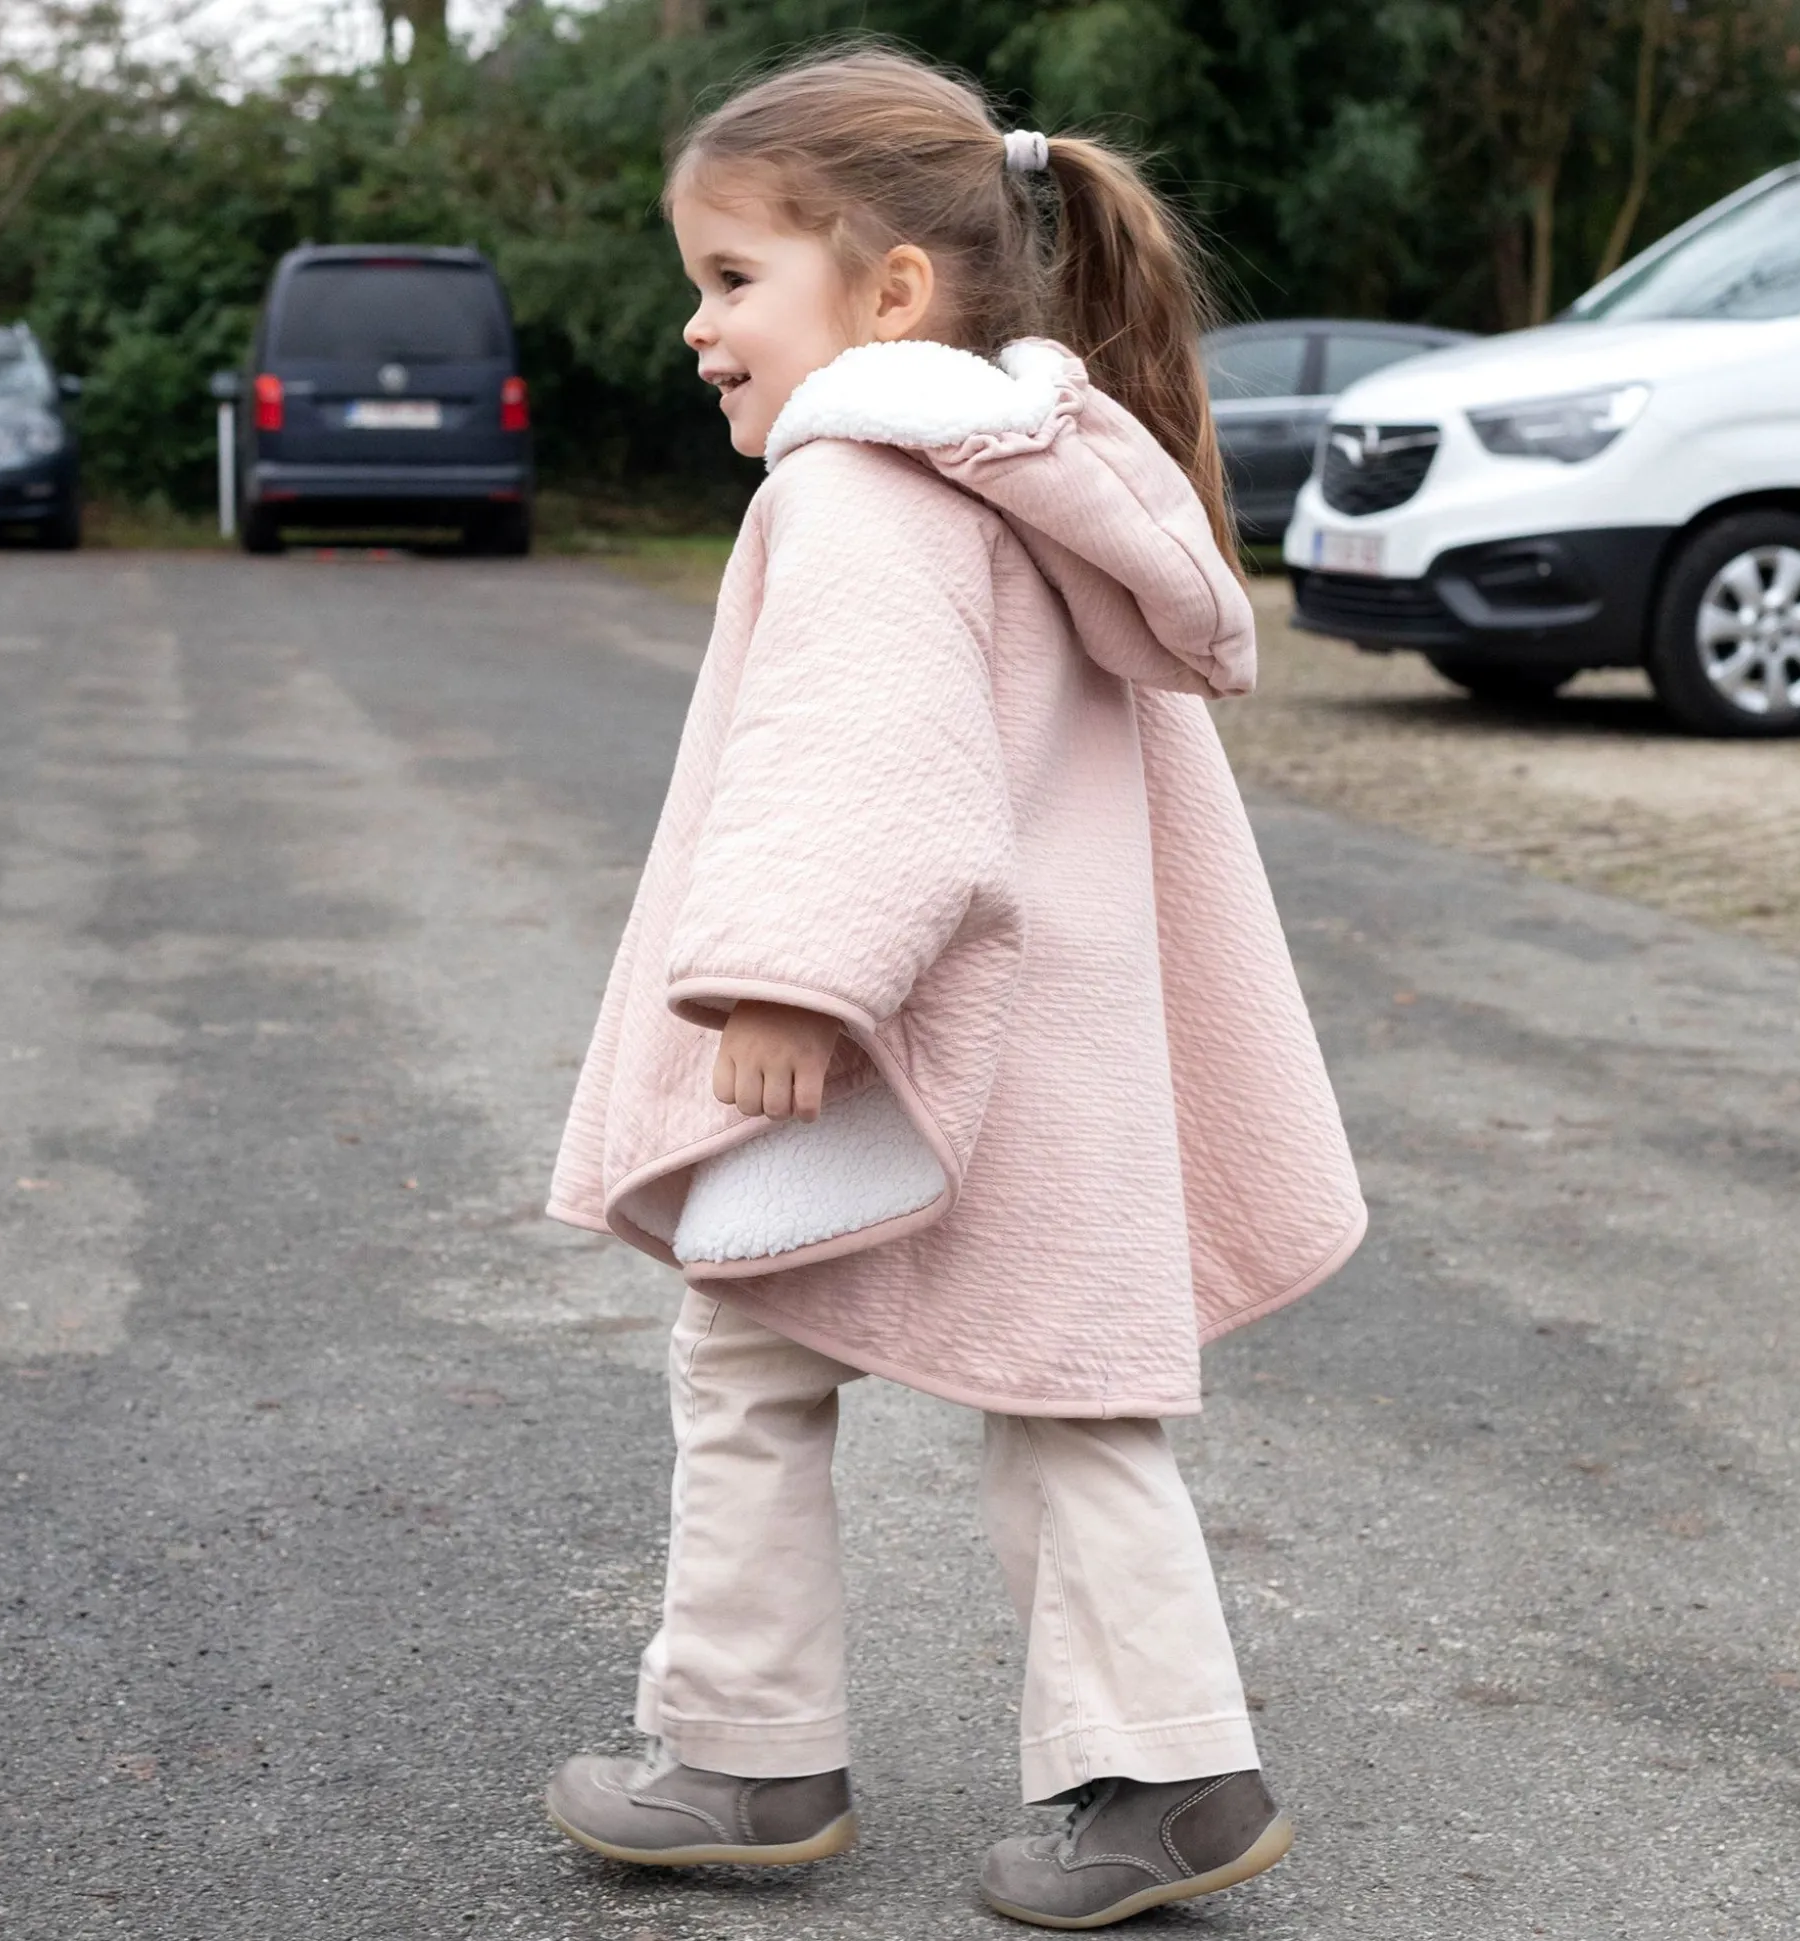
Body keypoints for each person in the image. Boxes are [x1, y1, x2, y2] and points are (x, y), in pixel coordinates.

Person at [540, 44, 1366, 1930]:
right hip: (1052, 1046)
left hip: (895, 1030)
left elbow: (866, 754)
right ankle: (1166, 1769)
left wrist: (789, 981)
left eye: (733, 277)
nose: (697, 326)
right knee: (1061, 1387)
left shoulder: (859, 485)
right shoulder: (1035, 474)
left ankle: (748, 1755)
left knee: (750, 1355)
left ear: (892, 289)